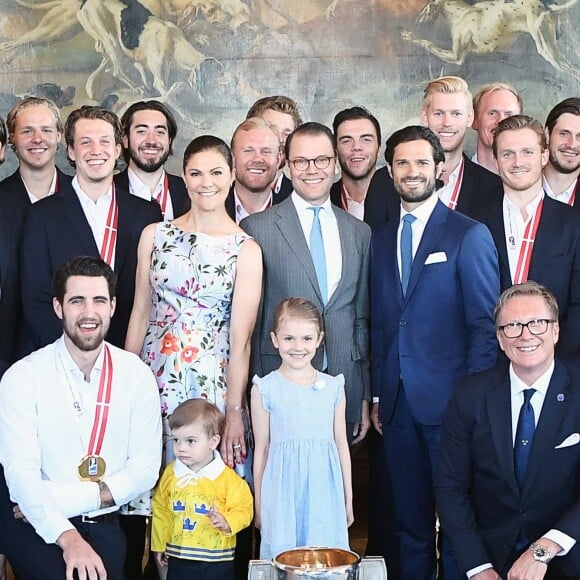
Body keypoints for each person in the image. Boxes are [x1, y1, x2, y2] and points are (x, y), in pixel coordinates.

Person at [370, 125, 499, 579]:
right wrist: (378, 396)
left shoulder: (469, 234)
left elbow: (486, 326)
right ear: (390, 172)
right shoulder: (380, 240)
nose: (412, 171)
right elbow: (383, 323)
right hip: (398, 408)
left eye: (422, 162)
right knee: (411, 527)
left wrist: (473, 401)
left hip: (453, 407)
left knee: (461, 528)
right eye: (402, 163)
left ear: (440, 168)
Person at [0, 256, 162, 580]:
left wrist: (68, 496)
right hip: (38, 525)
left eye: (99, 301)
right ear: (58, 307)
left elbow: (145, 469)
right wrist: (69, 538)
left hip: (106, 523)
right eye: (77, 301)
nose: (89, 313)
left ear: (113, 306)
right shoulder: (22, 377)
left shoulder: (136, 375)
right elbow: (22, 477)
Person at [435, 281, 580, 579]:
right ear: (500, 339)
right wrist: (478, 568)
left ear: (555, 331)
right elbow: (450, 487)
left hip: (566, 554)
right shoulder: (469, 395)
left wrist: (543, 549)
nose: (525, 334)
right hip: (488, 558)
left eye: (537, 323)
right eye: (512, 326)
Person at [241, 122, 372, 445]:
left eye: (322, 160)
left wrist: (364, 393)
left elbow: (360, 319)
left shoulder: (358, 231)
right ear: (286, 164)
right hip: (279, 385)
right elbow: (249, 326)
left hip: (343, 383)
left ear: (334, 163)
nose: (312, 170)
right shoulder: (257, 229)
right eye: (301, 161)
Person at [19, 105, 162, 355]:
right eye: (86, 143)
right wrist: (76, 352)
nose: (96, 151)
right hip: (63, 357)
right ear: (72, 151)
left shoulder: (147, 213)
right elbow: (36, 298)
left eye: (105, 142)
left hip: (128, 357)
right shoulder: (41, 215)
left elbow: (151, 295)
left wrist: (123, 356)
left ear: (118, 149)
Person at [251, 297, 352, 559]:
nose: (298, 347)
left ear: (319, 339)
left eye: (307, 339)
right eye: (289, 339)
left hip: (323, 492)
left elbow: (341, 445)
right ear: (275, 339)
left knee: (324, 559)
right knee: (285, 559)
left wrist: (348, 498)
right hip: (282, 493)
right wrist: (259, 505)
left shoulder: (333, 388)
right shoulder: (264, 388)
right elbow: (261, 449)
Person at [479, 114, 580, 357]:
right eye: (508, 154)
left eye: (527, 152)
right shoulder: (473, 222)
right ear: (495, 160)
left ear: (544, 156)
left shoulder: (573, 224)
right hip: (489, 367)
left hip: (556, 367)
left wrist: (557, 365)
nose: (517, 162)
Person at [364, 76, 502, 229]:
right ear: (425, 116)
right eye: (438, 113)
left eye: (456, 114)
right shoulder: (384, 181)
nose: (447, 123)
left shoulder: (491, 187)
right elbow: (375, 246)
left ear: (470, 118)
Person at [152, 399, 253, 580]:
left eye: (191, 441)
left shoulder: (227, 479)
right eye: (176, 440)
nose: (181, 448)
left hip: (217, 561)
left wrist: (228, 521)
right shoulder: (171, 474)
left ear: (213, 442)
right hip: (178, 557)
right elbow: (160, 510)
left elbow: (245, 508)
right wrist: (159, 543)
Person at [116, 99, 190, 220]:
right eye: (142, 131)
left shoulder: (189, 191)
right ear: (125, 140)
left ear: (169, 141)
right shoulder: (108, 190)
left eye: (160, 132)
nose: (151, 140)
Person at [0, 96, 71, 204]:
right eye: (27, 131)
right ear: (13, 137)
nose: (37, 139)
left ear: (58, 136)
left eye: (46, 130)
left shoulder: (83, 194)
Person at [226, 117, 285, 223]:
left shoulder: (294, 214)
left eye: (266, 151)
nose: (257, 159)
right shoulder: (210, 209)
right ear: (232, 158)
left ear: (278, 159)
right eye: (248, 150)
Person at [245, 95, 302, 197]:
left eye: (286, 134)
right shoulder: (223, 194)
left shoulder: (300, 197)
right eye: (273, 130)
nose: (280, 140)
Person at [330, 106, 381, 220]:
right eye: (346, 141)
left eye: (366, 139)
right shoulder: (323, 200)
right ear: (335, 150)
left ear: (379, 148)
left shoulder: (399, 199)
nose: (357, 147)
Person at [471, 82, 523, 174]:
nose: (501, 121)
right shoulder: (457, 179)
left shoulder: (535, 181)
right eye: (492, 113)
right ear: (474, 120)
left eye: (509, 115)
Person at [543, 97, 580, 209]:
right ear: (547, 135)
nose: (572, 144)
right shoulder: (519, 186)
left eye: (579, 136)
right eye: (564, 133)